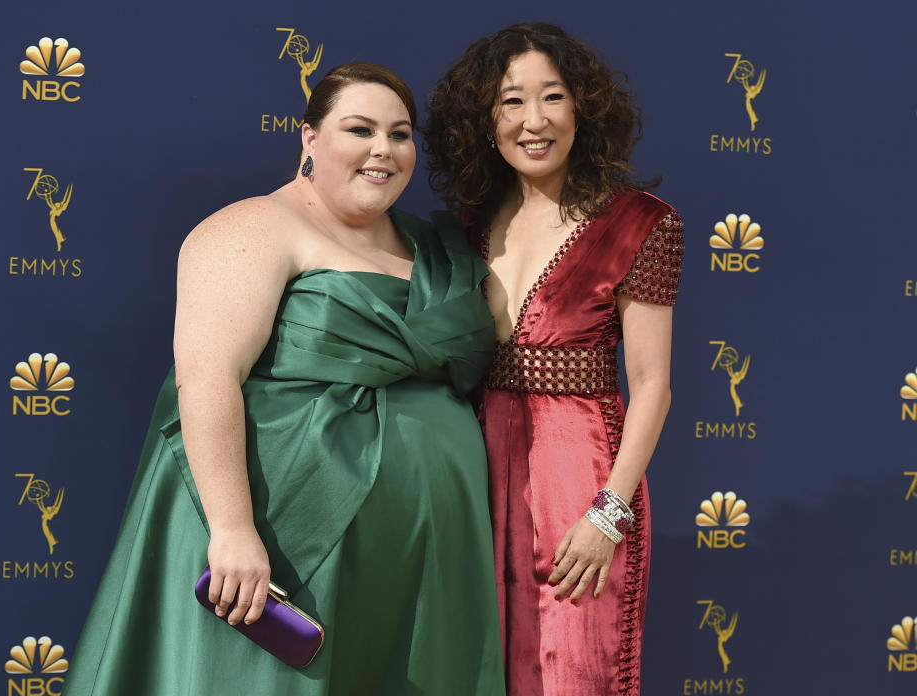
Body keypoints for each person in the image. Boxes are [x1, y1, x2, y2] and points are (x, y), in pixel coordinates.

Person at [64, 62, 505, 696]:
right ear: (309, 138)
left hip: (424, 553)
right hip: (289, 538)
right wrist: (234, 531)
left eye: (401, 134)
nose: (384, 149)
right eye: (360, 129)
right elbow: (207, 379)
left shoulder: (432, 245)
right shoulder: (251, 228)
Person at [424, 23, 684, 695]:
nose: (533, 121)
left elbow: (653, 387)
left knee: (576, 671)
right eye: (511, 101)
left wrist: (609, 513)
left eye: (553, 97)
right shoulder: (472, 221)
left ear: (583, 109)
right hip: (476, 477)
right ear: (484, 119)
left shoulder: (641, 223)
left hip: (584, 483)